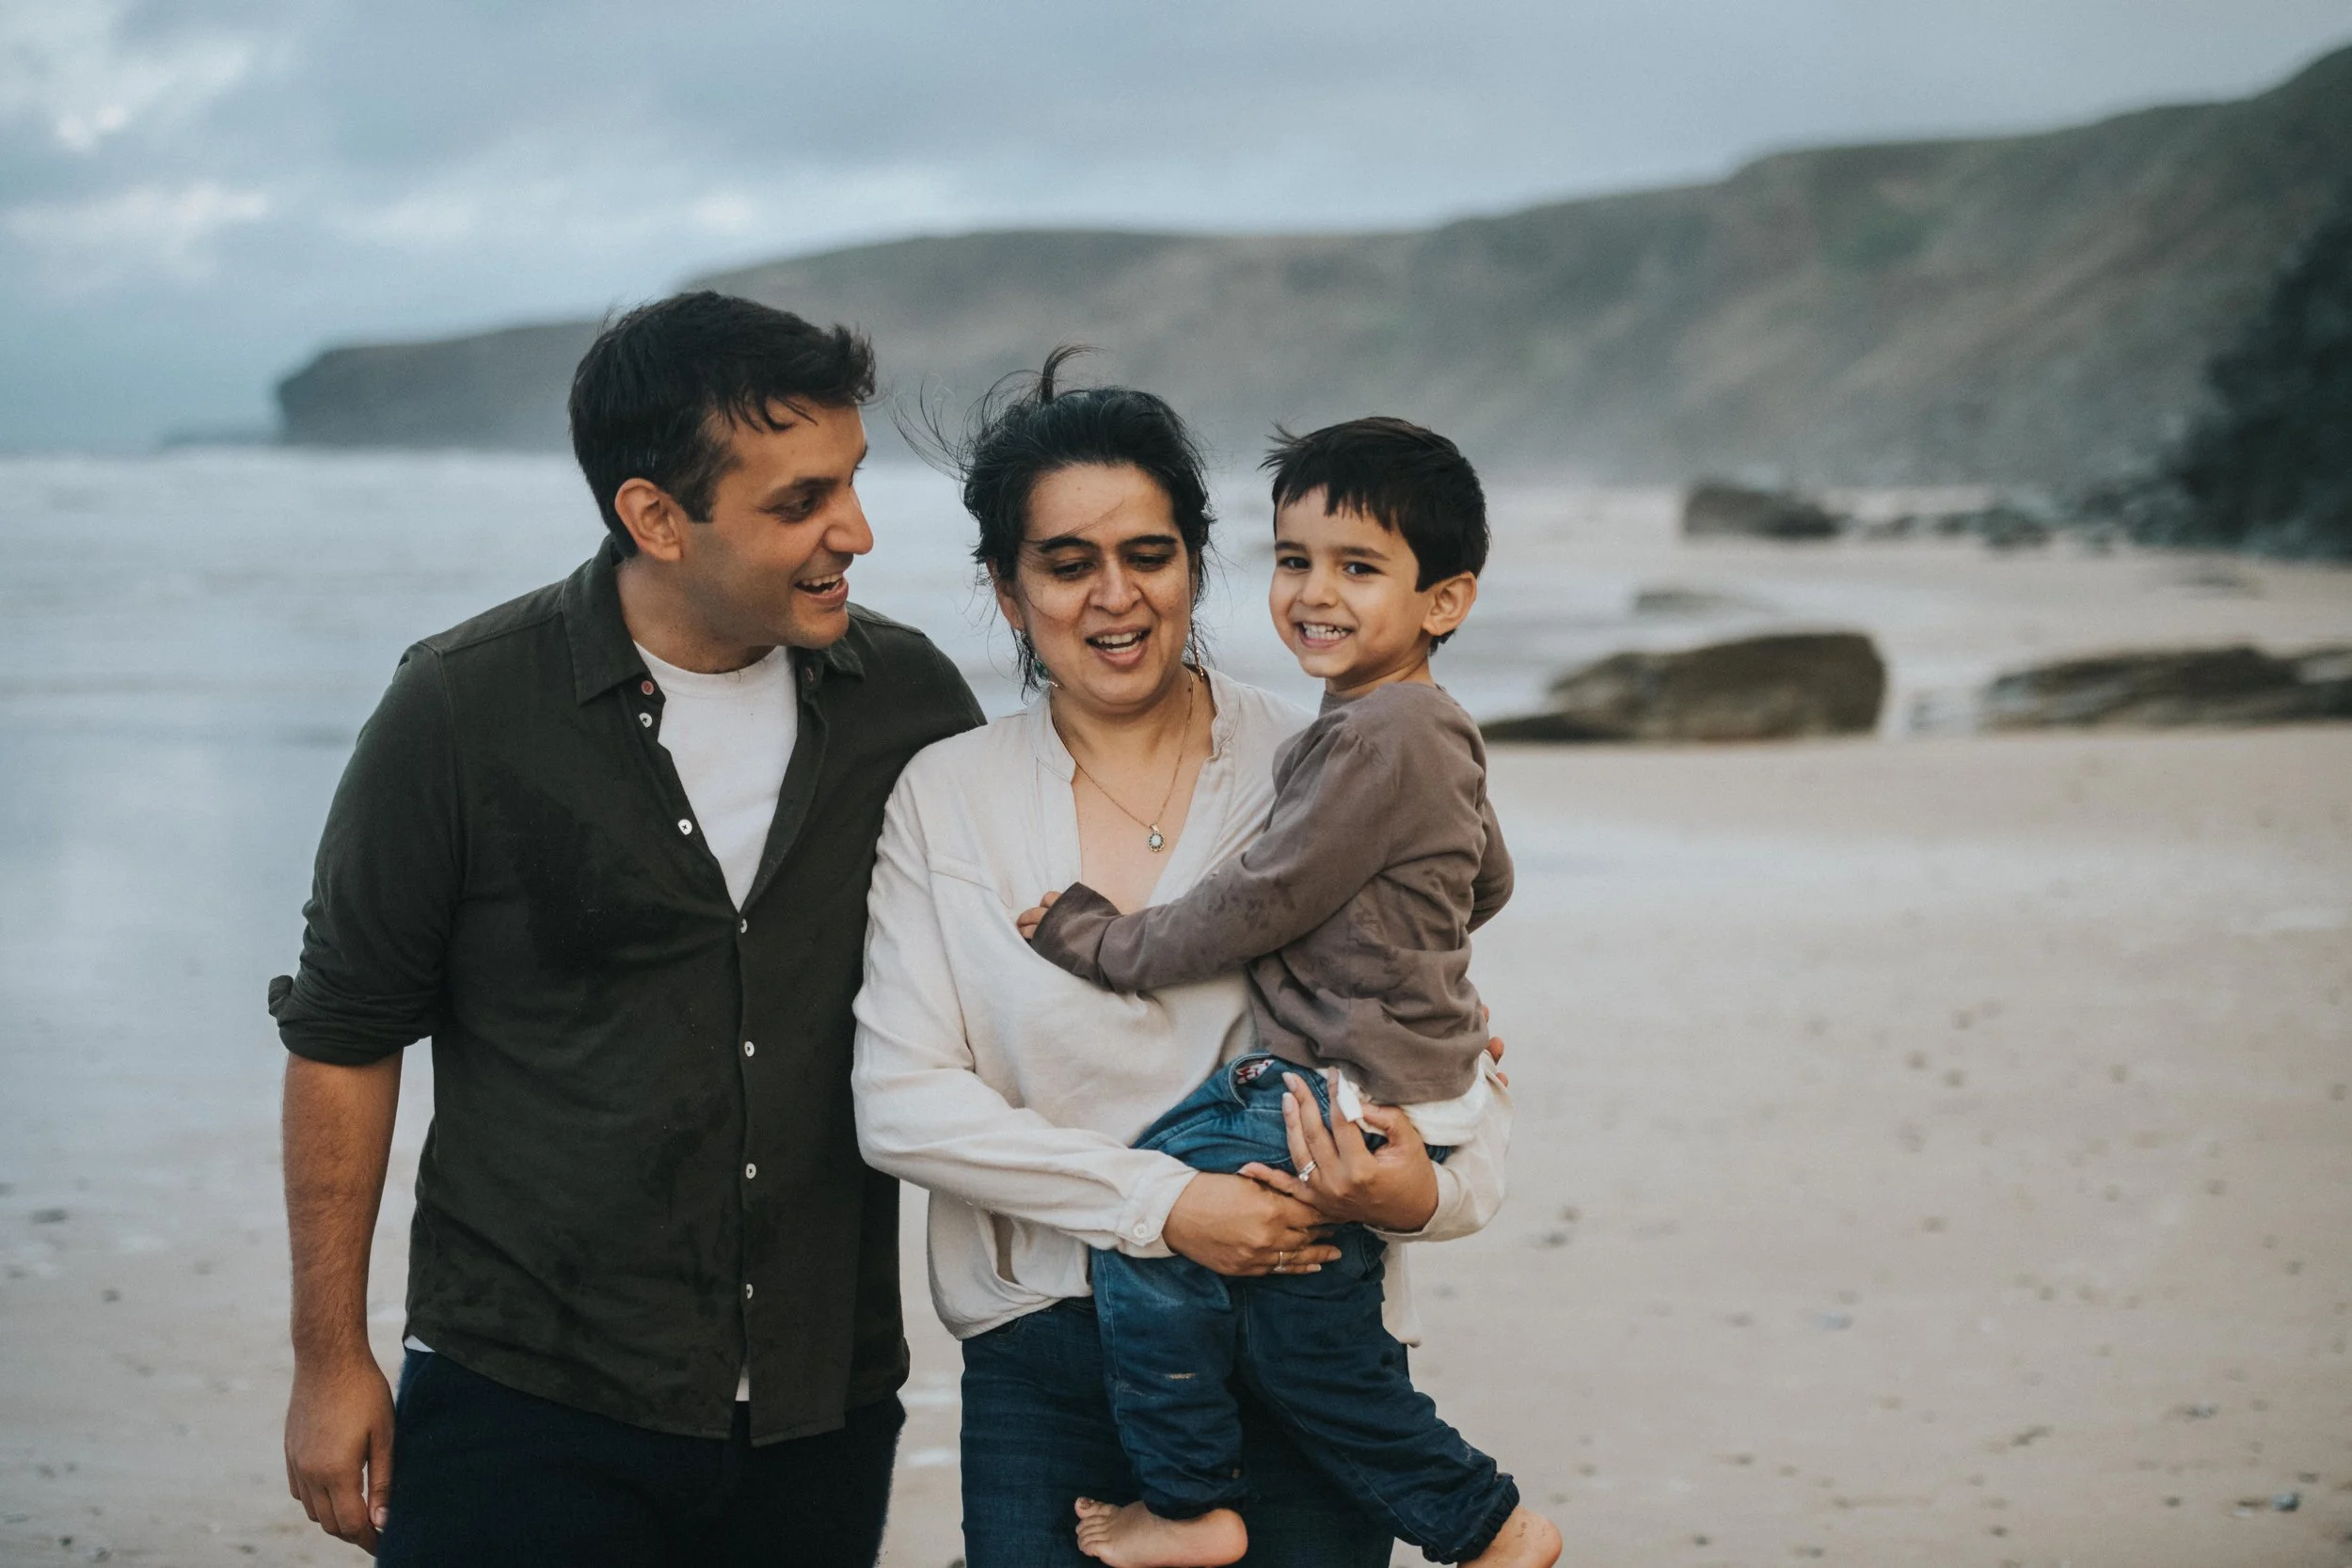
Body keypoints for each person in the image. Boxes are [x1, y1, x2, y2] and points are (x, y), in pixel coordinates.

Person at [269, 291, 981, 1565]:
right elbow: (343, 1037)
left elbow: (1022, 967)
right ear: (654, 515)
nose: (855, 533)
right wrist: (331, 1356)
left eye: (853, 482)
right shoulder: (461, 708)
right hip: (526, 1395)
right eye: (798, 501)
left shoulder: (911, 701)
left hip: (824, 1408)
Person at [850, 354, 1514, 1568]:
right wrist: (1166, 1205)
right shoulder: (948, 798)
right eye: (1067, 562)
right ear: (1006, 589)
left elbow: (1442, 1057)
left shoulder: (1325, 761)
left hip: (1310, 1361)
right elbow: (901, 1105)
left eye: (1149, 554)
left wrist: (1422, 1192)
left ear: (1197, 564)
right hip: (1045, 1362)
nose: (1117, 596)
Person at [1019, 417, 1561, 1568]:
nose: (1314, 592)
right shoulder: (1430, 723)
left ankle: (1190, 1498)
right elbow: (1486, 878)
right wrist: (1404, 960)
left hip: (1334, 1086)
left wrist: (1099, 936)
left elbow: (1259, 899)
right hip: (1404, 1074)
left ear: (1445, 598)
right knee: (1314, 1349)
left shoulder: (1376, 733)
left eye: (1358, 567)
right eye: (1293, 558)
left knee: (1149, 1214)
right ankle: (1485, 1527)